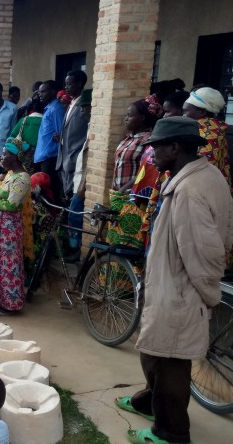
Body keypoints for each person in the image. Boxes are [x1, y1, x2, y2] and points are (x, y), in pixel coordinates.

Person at [117, 116, 233, 444]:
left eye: (156, 147)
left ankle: (171, 433)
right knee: (155, 353)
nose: (151, 154)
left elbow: (206, 253)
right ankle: (150, 405)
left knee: (168, 364)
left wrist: (208, 295)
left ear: (176, 147)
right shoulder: (205, 176)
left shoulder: (190, 191)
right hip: (174, 287)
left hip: (181, 293)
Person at [0, 143, 32, 316]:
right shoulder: (11, 175)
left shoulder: (22, 178)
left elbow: (11, 204)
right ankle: (0, 300)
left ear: (15, 157)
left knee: (9, 265)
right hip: (1, 223)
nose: (1, 158)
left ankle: (11, 304)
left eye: (4, 155)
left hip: (9, 226)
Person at [112, 96, 163, 193]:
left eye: (129, 116)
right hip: (119, 194)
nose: (126, 119)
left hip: (133, 194)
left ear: (141, 118)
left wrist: (123, 190)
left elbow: (146, 171)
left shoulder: (148, 141)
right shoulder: (128, 137)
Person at [183, 87, 231, 190]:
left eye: (186, 111)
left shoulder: (208, 134)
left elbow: (201, 171)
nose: (183, 116)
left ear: (201, 112)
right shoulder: (214, 130)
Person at [64, 89, 93, 261]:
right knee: (74, 215)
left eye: (85, 107)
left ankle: (76, 252)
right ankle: (75, 249)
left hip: (84, 182)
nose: (83, 111)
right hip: (78, 178)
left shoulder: (95, 130)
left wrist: (82, 183)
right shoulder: (89, 127)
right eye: (81, 108)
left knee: (75, 216)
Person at [56, 70, 89, 201]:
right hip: (64, 158)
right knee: (66, 195)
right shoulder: (71, 103)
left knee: (73, 196)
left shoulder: (83, 106)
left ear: (79, 84)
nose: (66, 87)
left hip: (74, 158)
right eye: (65, 84)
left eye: (69, 84)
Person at [34, 81, 65, 196]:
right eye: (39, 92)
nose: (40, 94)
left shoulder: (56, 109)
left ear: (52, 92)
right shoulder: (49, 108)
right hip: (44, 156)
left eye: (43, 91)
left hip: (51, 156)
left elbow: (61, 133)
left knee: (49, 191)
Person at [9, 98, 45, 174]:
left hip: (24, 153)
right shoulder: (44, 121)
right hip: (39, 154)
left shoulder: (23, 120)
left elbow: (13, 135)